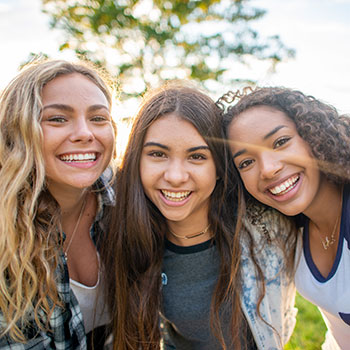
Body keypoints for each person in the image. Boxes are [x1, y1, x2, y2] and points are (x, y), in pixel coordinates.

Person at [102, 83, 297, 350]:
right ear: (137, 160)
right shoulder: (128, 231)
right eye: (158, 154)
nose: (175, 176)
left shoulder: (266, 224)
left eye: (196, 156)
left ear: (218, 166)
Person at [221, 86, 350, 350]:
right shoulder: (293, 225)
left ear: (313, 134)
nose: (268, 169)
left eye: (280, 142)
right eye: (246, 162)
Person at [0, 59, 117, 349]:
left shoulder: (125, 202)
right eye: (57, 119)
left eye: (98, 118)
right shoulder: (5, 234)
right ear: (17, 131)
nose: (84, 133)